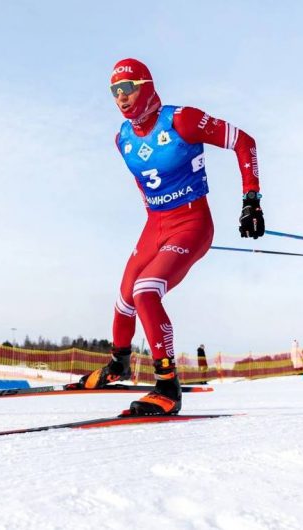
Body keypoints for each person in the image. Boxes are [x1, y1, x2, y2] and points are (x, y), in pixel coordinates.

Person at [79, 58, 263, 416]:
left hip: (192, 224)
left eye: (128, 88)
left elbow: (245, 142)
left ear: (146, 85)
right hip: (155, 225)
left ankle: (167, 386)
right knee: (124, 298)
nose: (121, 97)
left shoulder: (183, 120)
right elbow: (144, 181)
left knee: (146, 290)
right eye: (114, 92)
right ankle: (119, 364)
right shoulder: (122, 139)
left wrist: (251, 201)